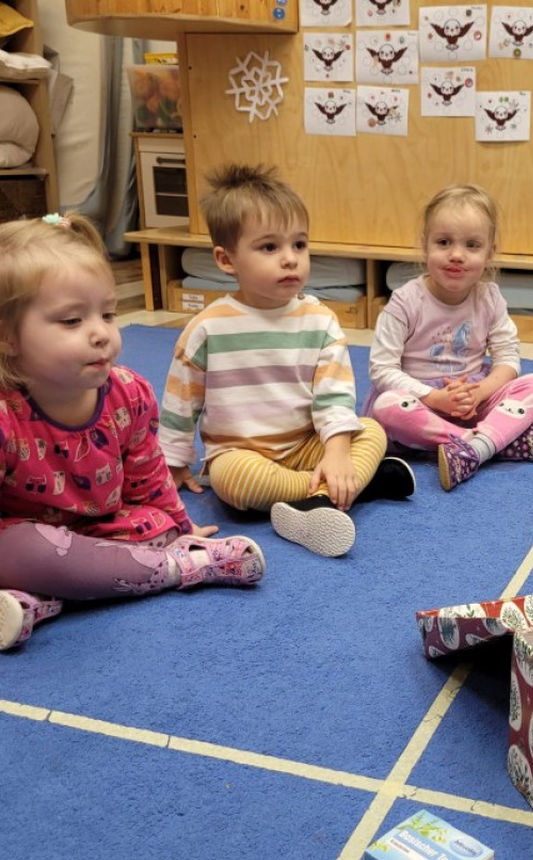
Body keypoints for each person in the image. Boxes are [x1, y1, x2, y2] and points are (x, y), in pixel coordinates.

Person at [0, 214, 265, 652]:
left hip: (107, 527)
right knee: (26, 550)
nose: (100, 334)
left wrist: (182, 526)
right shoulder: (7, 414)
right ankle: (177, 570)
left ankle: (41, 600)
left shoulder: (128, 392)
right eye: (71, 321)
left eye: (108, 314)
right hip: (27, 533)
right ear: (7, 336)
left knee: (157, 525)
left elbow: (148, 474)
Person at [159, 164, 413, 556]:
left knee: (371, 431)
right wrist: (174, 460)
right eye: (269, 247)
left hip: (306, 443)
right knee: (233, 480)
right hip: (242, 453)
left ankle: (324, 495)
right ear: (227, 260)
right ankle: (333, 490)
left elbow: (335, 397)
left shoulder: (321, 320)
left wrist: (337, 450)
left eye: (299, 245)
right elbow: (181, 401)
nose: (290, 259)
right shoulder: (208, 328)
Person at [366, 183, 533, 491]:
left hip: (472, 400)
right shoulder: (405, 301)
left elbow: (507, 358)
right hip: (421, 403)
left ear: (490, 252)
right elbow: (381, 370)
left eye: (472, 245)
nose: (456, 255)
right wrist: (435, 397)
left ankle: (474, 447)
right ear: (425, 245)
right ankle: (484, 443)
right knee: (386, 406)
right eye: (443, 242)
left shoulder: (489, 297)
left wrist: (480, 392)